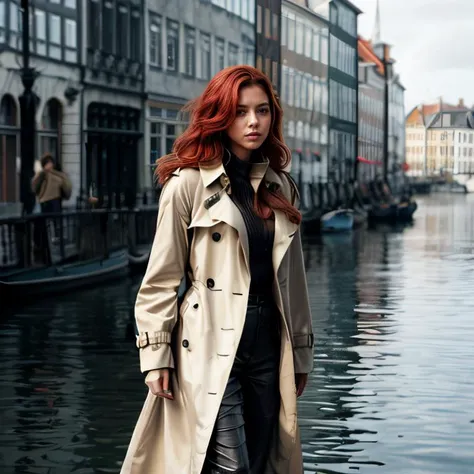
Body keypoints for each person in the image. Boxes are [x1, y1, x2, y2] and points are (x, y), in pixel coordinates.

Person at [121, 65, 314, 474]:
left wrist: (299, 353)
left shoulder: (280, 184)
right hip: (208, 337)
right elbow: (160, 279)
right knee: (232, 466)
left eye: (262, 111)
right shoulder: (187, 185)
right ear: (221, 114)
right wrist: (155, 355)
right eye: (241, 111)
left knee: (264, 460)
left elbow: (293, 283)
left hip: (268, 342)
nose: (253, 122)